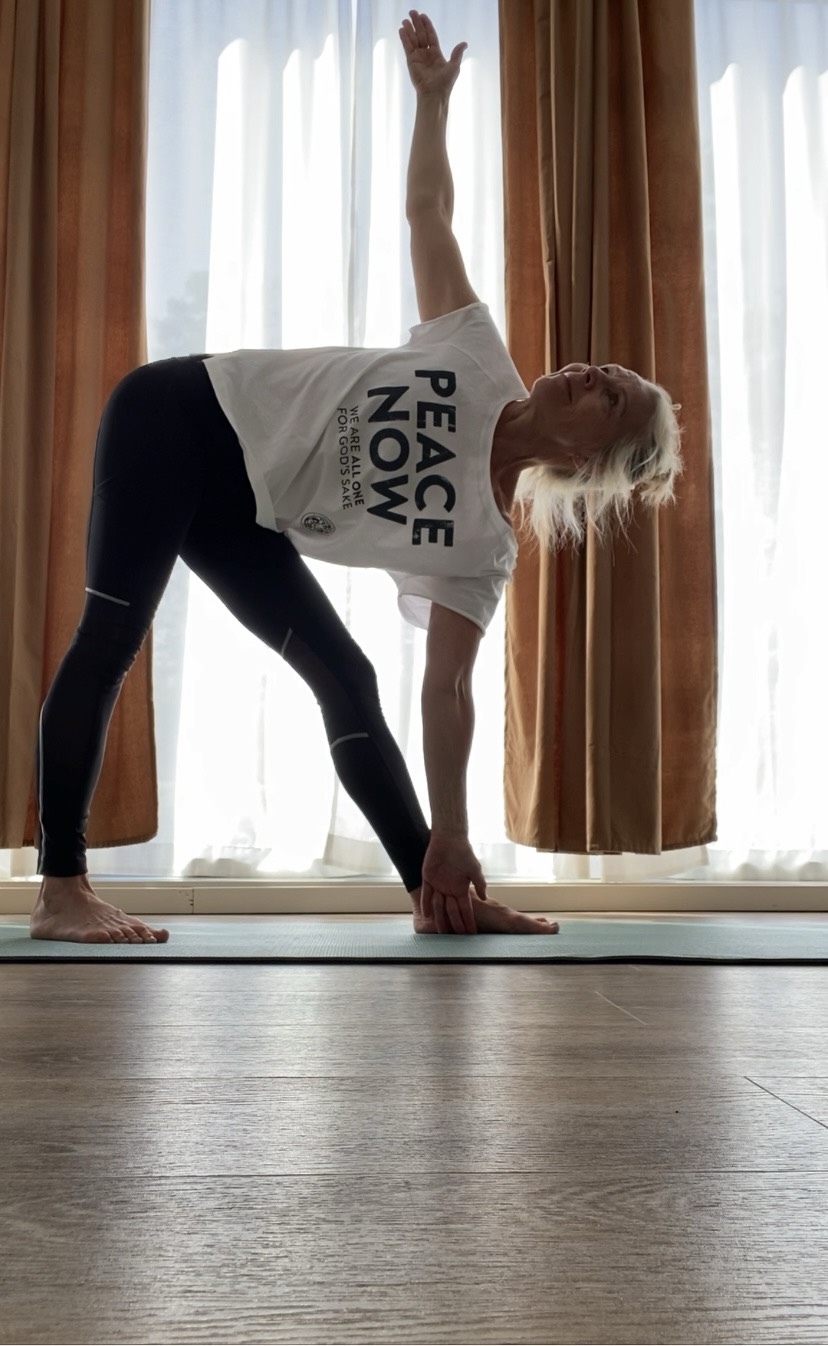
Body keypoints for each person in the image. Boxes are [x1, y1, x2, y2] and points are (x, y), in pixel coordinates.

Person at [30, 10, 681, 946]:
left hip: (246, 507)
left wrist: (454, 832)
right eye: (604, 368)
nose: (590, 372)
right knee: (112, 635)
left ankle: (438, 891)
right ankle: (61, 889)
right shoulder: (476, 352)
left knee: (348, 676)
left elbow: (447, 693)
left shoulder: (481, 548)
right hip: (181, 414)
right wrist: (432, 105)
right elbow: (429, 215)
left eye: (608, 396)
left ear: (586, 458)